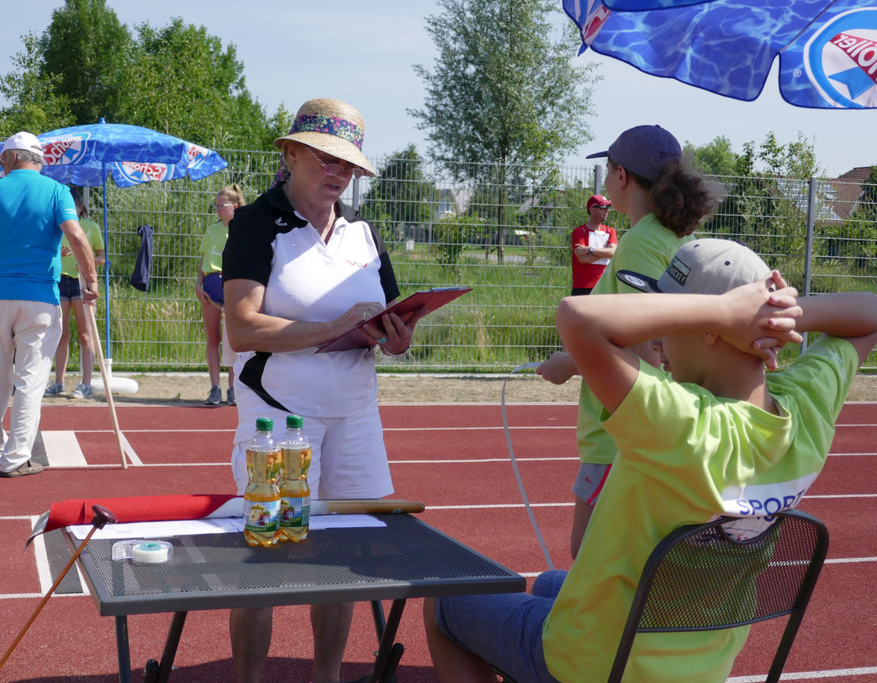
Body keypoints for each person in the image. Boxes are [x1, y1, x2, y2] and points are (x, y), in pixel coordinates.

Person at [426, 238, 877, 682]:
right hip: (701, 667)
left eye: (675, 316)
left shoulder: (682, 425)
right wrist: (775, 316)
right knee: (549, 582)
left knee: (444, 600)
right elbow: (871, 311)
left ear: (714, 327)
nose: (656, 340)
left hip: (598, 666)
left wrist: (725, 312)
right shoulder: (808, 406)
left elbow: (577, 317)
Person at [221, 98, 425, 683]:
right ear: (290, 154)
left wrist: (397, 337)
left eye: (348, 165)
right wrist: (334, 327)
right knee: (266, 559)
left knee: (346, 560)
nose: (339, 173)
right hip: (280, 422)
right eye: (326, 159)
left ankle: (328, 677)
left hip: (356, 417)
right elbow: (242, 328)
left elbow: (389, 323)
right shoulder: (255, 224)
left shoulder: (364, 232)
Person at [539, 124, 721, 559]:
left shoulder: (639, 243)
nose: (605, 180)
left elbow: (645, 352)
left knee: (590, 560)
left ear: (621, 175)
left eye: (608, 169)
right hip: (642, 428)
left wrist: (572, 361)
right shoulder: (673, 238)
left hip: (618, 432)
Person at [0, 131, 99, 478]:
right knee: (31, 378)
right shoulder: (57, 191)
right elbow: (76, 235)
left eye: (2, 160)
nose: (1, 165)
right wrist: (90, 280)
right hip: (39, 296)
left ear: (12, 157)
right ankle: (16, 457)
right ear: (38, 160)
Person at [44, 186, 106, 399]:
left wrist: (87, 261)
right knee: (61, 333)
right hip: (60, 282)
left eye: (72, 206)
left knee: (85, 333)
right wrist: (58, 255)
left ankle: (86, 384)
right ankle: (58, 382)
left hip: (82, 283)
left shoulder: (91, 227)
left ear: (80, 207)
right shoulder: (55, 227)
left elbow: (101, 257)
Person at [197, 184, 245, 405]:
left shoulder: (243, 229)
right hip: (211, 285)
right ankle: (215, 387)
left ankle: (233, 387)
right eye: (216, 206)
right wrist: (198, 284)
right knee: (213, 338)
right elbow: (204, 259)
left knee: (233, 340)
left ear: (235, 206)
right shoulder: (212, 230)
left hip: (233, 286)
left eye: (222, 206)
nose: (218, 210)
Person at [569, 194, 617, 295]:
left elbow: (613, 252)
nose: (607, 210)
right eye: (603, 207)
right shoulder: (579, 232)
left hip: (604, 286)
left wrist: (590, 250)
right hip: (583, 287)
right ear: (592, 209)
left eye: (608, 207)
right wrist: (605, 252)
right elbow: (583, 259)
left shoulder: (610, 231)